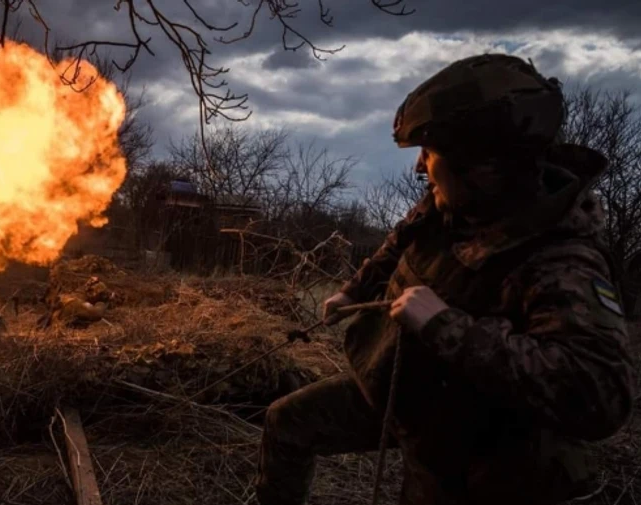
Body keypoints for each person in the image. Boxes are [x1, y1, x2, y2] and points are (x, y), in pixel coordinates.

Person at [256, 54, 637, 505]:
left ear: (484, 168)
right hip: (408, 392)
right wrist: (353, 291)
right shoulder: (453, 204)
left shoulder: (561, 260)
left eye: (430, 153)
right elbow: (399, 242)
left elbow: (600, 398)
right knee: (287, 422)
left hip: (484, 457)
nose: (420, 167)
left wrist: (445, 326)